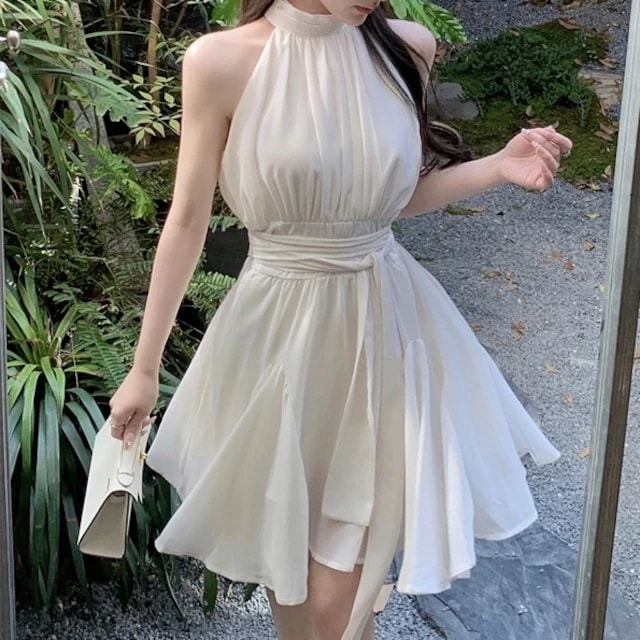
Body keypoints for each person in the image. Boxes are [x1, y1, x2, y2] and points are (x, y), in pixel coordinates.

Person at [108, 0, 572, 638]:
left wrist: (496, 165)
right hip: (278, 335)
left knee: (337, 592)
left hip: (381, 324)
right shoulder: (218, 61)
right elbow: (187, 220)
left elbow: (387, 198)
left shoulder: (406, 47)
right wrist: (144, 368)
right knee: (292, 568)